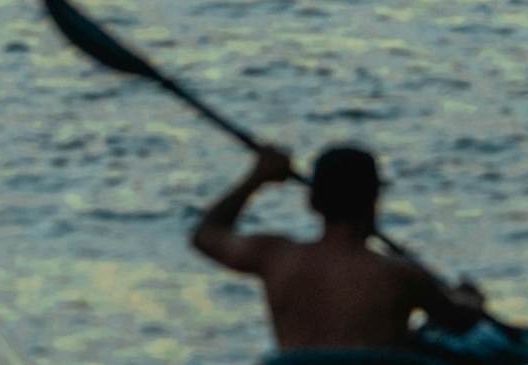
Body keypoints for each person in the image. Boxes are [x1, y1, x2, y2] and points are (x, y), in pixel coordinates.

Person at [188, 139, 485, 353]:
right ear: (373, 201)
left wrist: (256, 178)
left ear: (312, 202)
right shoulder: (401, 274)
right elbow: (458, 320)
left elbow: (206, 234)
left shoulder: (275, 257)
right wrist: (469, 298)